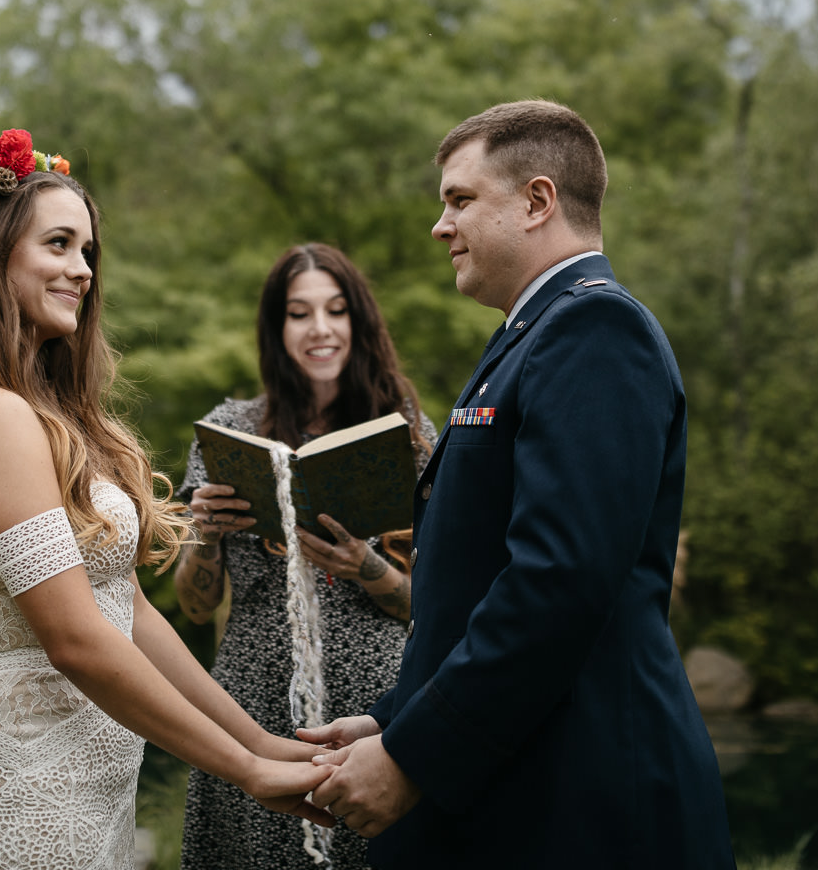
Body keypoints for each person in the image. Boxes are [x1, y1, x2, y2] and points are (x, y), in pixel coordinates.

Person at [0, 129, 332, 870]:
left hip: (93, 794)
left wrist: (262, 741)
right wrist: (245, 773)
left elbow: (126, 612)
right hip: (24, 799)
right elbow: (75, 641)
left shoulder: (34, 411)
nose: (82, 269)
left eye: (88, 251)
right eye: (58, 244)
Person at [303, 101, 735, 868]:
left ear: (538, 202)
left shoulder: (598, 332)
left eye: (460, 200)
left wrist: (416, 756)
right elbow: (474, 588)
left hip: (581, 804)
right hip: (523, 787)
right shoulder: (530, 336)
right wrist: (392, 722)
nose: (440, 226)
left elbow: (557, 584)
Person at [173, 244, 437, 870]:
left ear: (358, 323)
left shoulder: (409, 435)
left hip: (376, 709)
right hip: (250, 704)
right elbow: (191, 603)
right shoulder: (229, 429)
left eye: (336, 310)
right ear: (277, 328)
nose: (320, 328)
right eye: (299, 313)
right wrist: (205, 534)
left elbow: (439, 608)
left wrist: (366, 568)